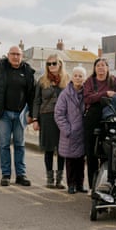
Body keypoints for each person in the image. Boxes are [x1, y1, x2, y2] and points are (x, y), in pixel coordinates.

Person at [0, 46, 35, 186]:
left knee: (20, 145)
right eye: (13, 54)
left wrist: (32, 114)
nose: (15, 57)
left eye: (18, 54)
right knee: (4, 144)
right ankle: (6, 174)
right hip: (3, 113)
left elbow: (32, 94)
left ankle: (21, 175)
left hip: (21, 115)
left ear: (22, 56)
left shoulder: (27, 71)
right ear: (8, 55)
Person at [83, 58, 116, 190]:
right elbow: (87, 98)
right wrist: (105, 94)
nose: (100, 68)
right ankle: (92, 186)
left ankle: (108, 183)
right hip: (92, 118)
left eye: (103, 65)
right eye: (98, 65)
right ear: (94, 68)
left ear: (107, 68)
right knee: (91, 152)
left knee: (108, 149)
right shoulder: (90, 81)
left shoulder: (114, 81)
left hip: (109, 117)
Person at [32, 54, 70, 189]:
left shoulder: (67, 80)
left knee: (62, 150)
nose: (51, 66)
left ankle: (60, 180)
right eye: (48, 64)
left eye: (54, 63)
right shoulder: (42, 80)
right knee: (48, 149)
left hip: (63, 118)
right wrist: (35, 119)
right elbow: (36, 101)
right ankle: (50, 179)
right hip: (46, 117)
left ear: (60, 64)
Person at [54, 66, 88, 194]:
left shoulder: (86, 93)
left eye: (81, 76)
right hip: (70, 133)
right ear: (72, 77)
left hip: (82, 133)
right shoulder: (65, 94)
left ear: (84, 78)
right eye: (76, 75)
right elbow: (58, 114)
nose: (78, 78)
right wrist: (67, 129)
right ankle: (71, 184)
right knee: (70, 161)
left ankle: (80, 184)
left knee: (81, 161)